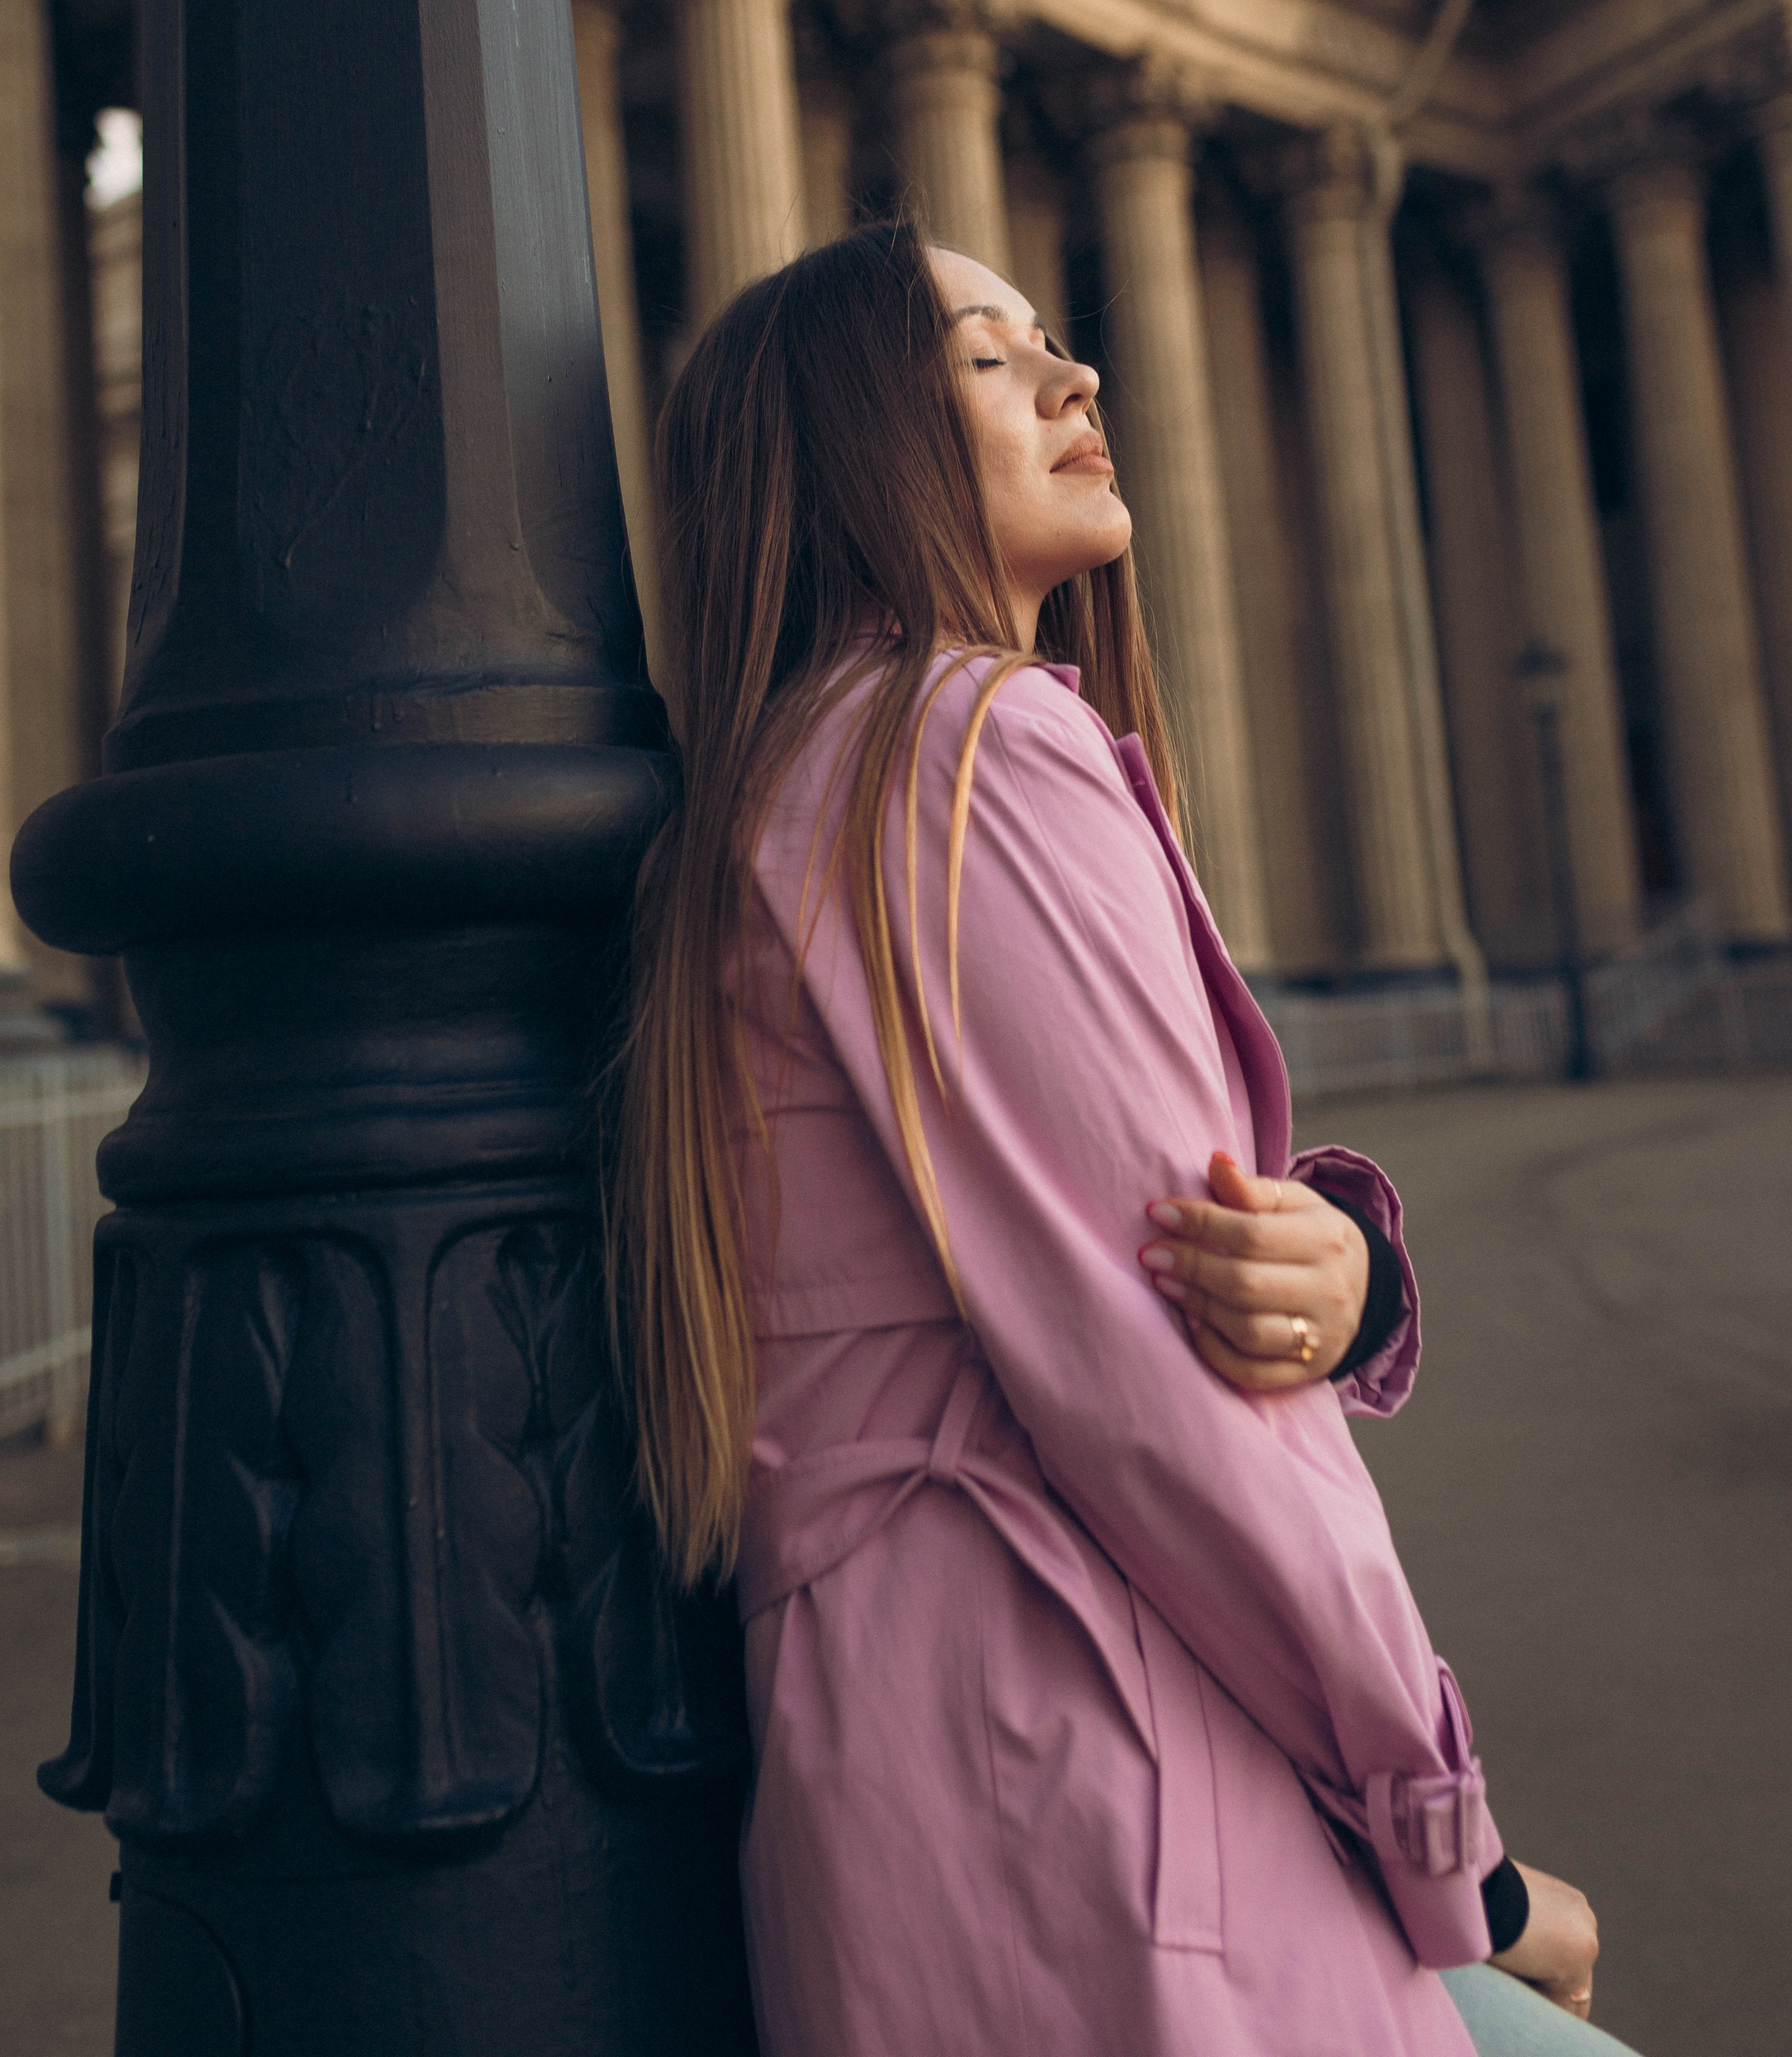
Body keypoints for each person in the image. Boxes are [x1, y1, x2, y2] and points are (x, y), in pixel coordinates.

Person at [611, 219, 1638, 2056]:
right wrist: (1457, 1858)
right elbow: (1182, 1408)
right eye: (985, 358)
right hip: (1113, 1803)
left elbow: (1061, 1263)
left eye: (1048, 341)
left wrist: (1345, 1260)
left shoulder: (792, 785)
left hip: (932, 1810)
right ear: (859, 441)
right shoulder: (966, 748)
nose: (1075, 380)